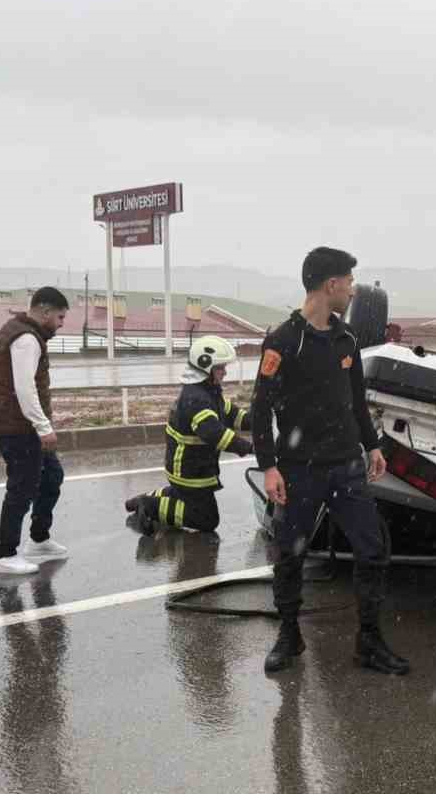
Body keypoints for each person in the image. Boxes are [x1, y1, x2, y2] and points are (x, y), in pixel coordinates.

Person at [249, 247, 410, 677]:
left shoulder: (347, 339)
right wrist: (269, 466)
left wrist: (372, 445)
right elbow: (260, 409)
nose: (354, 290)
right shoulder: (284, 340)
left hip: (346, 466)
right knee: (289, 554)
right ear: (331, 284)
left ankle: (369, 642)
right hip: (299, 469)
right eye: (350, 281)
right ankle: (289, 636)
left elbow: (356, 399)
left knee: (372, 550)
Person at [124, 335, 253, 535]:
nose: (225, 372)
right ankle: (150, 506)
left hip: (192, 468)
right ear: (206, 366)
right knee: (207, 519)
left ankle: (143, 500)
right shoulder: (197, 398)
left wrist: (257, 422)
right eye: (221, 368)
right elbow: (214, 433)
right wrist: (249, 447)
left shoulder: (208, 392)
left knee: (182, 497)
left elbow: (231, 414)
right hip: (189, 471)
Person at [0, 287, 71, 576]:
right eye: (60, 317)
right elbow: (25, 388)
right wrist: (43, 426)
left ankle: (39, 539)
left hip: (21, 425)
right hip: (18, 428)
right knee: (21, 488)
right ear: (45, 312)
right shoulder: (26, 339)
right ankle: (5, 553)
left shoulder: (25, 332)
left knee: (51, 476)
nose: (61, 323)